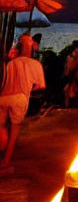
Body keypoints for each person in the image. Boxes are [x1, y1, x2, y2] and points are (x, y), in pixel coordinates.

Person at [0, 35, 46, 174]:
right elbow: (40, 86)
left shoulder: (10, 63)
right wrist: (29, 86)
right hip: (20, 98)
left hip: (3, 98)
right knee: (14, 131)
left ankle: (2, 152)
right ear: (31, 47)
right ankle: (5, 163)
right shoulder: (35, 64)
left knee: (2, 127)